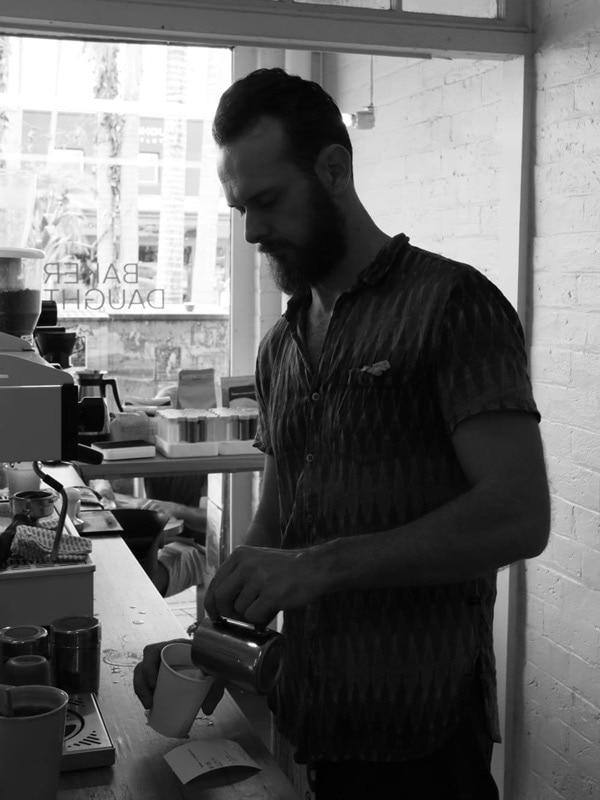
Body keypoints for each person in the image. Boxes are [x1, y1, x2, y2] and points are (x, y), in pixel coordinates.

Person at [134, 68, 550, 799]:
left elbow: (520, 514)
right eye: (240, 208)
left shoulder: (453, 306)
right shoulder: (280, 346)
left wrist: (323, 566)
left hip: (423, 746)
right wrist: (209, 645)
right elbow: (282, 510)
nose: (253, 229)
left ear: (333, 169)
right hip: (308, 725)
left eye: (268, 201)